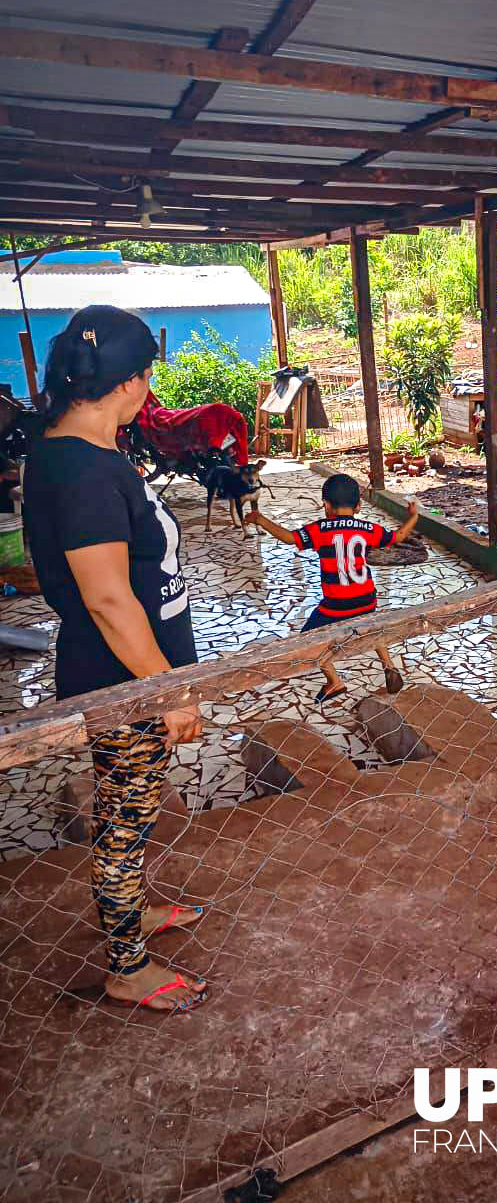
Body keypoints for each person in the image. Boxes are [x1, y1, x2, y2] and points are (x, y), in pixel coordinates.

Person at [23, 306, 209, 1012]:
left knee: (129, 807)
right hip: (123, 681)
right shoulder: (84, 470)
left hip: (132, 672)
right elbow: (105, 599)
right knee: (124, 823)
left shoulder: (79, 451)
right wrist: (168, 690)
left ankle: (132, 910)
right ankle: (127, 966)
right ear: (131, 382)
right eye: (148, 376)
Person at [246, 473, 419, 701]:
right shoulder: (368, 529)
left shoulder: (320, 530)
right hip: (366, 599)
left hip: (336, 605)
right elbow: (399, 536)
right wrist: (414, 516)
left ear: (326, 505)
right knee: (371, 625)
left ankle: (334, 681)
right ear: (358, 506)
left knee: (308, 639)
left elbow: (289, 538)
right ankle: (389, 666)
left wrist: (261, 520)